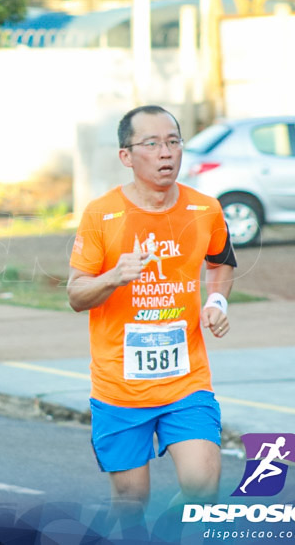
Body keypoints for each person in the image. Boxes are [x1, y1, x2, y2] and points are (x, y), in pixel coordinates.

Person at [67, 105, 236, 537]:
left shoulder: (205, 210)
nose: (166, 153)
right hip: (119, 388)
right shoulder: (101, 215)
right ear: (127, 156)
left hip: (186, 382)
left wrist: (216, 300)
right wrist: (113, 277)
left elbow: (221, 263)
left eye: (174, 142)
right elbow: (76, 294)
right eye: (153, 144)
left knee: (204, 486)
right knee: (130, 501)